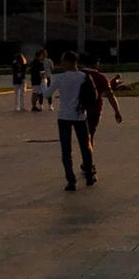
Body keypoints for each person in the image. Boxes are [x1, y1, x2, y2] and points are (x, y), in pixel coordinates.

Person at [51, 51, 94, 191]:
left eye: (62, 60)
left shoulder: (60, 78)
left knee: (66, 150)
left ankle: (71, 180)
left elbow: (46, 93)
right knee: (85, 146)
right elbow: (93, 95)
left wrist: (42, 82)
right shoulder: (84, 76)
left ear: (68, 62)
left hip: (64, 116)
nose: (61, 63)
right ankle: (89, 176)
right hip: (80, 115)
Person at [80, 55, 124, 143]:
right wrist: (117, 111)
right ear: (95, 64)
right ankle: (88, 150)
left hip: (78, 110)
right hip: (94, 110)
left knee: (83, 135)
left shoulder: (77, 75)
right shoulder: (100, 77)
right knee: (90, 135)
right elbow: (110, 96)